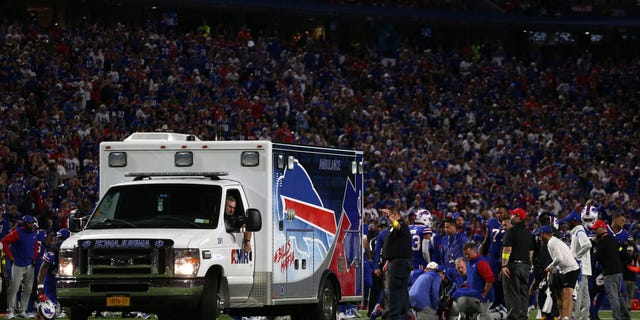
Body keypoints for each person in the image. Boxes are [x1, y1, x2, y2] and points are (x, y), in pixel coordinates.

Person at [534, 225, 580, 320]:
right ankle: (562, 316)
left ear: (545, 234)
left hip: (570, 269)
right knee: (560, 296)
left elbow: (559, 258)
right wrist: (554, 269)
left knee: (567, 295)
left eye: (540, 235)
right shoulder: (554, 241)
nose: (539, 238)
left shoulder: (551, 243)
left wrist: (550, 267)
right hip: (564, 270)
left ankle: (566, 317)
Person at [590, 219, 630, 320]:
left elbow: (597, 257)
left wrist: (593, 246)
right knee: (618, 295)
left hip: (610, 272)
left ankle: (617, 317)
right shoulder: (613, 239)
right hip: (618, 271)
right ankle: (625, 316)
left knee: (613, 297)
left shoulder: (602, 241)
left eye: (596, 229)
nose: (595, 231)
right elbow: (624, 255)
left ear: (602, 228)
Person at [1, 215, 39, 319]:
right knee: (14, 288)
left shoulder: (34, 234)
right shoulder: (18, 232)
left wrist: (34, 257)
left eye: (32, 223)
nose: (32, 225)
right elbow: (4, 241)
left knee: (28, 289)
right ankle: (11, 311)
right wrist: (10, 256)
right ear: (25, 223)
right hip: (18, 264)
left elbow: (35, 246)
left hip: (30, 265)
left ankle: (23, 310)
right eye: (29, 223)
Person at [500, 207, 534, 320]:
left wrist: (504, 265)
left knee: (512, 293)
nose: (511, 217)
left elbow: (507, 250)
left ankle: (513, 318)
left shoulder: (511, 231)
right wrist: (526, 264)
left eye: (513, 215)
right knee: (523, 292)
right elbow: (531, 252)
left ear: (518, 218)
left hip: (512, 266)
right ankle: (523, 317)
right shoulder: (529, 234)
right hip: (525, 266)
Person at [560, 209, 592, 320]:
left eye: (569, 221)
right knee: (585, 297)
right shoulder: (578, 231)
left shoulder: (579, 232)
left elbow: (588, 245)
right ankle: (584, 317)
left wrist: (576, 257)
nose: (567, 224)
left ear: (574, 221)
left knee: (577, 295)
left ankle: (575, 317)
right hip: (584, 269)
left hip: (580, 268)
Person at [381, 207, 412, 320]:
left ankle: (394, 317)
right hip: (398, 262)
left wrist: (389, 217)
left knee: (395, 291)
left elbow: (398, 227)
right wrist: (388, 260)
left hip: (399, 264)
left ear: (394, 214)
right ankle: (403, 317)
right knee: (402, 291)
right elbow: (398, 246)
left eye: (389, 216)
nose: (387, 219)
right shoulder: (396, 229)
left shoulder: (401, 225)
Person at [36, 229, 71, 320]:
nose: (58, 241)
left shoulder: (73, 252)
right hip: (51, 278)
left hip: (66, 279)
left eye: (61, 239)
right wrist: (40, 287)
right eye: (57, 238)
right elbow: (42, 271)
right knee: (49, 309)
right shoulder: (51, 252)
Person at [480, 204, 507, 308]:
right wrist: (481, 255)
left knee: (504, 282)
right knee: (492, 280)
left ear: (506, 213)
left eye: (501, 212)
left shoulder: (510, 223)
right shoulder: (491, 222)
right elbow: (487, 239)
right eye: (497, 213)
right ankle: (494, 303)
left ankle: (504, 304)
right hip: (493, 256)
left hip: (506, 257)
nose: (499, 215)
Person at [462, 242, 494, 320]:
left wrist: (483, 295)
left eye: (468, 254)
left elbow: (490, 279)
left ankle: (500, 314)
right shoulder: (469, 262)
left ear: (474, 250)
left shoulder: (481, 262)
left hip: (484, 298)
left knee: (483, 317)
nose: (466, 256)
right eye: (465, 254)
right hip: (475, 297)